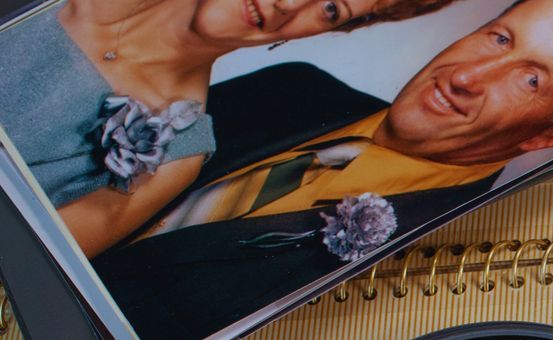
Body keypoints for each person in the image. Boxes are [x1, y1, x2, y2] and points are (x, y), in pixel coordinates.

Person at [87, 0, 553, 340]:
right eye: (500, 38)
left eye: (530, 79)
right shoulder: (290, 86)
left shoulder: (442, 272)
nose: (468, 75)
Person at [0, 0, 463, 256]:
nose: (288, 2)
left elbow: (21, 271)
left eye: (329, 8)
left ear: (320, 32)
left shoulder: (175, 154)